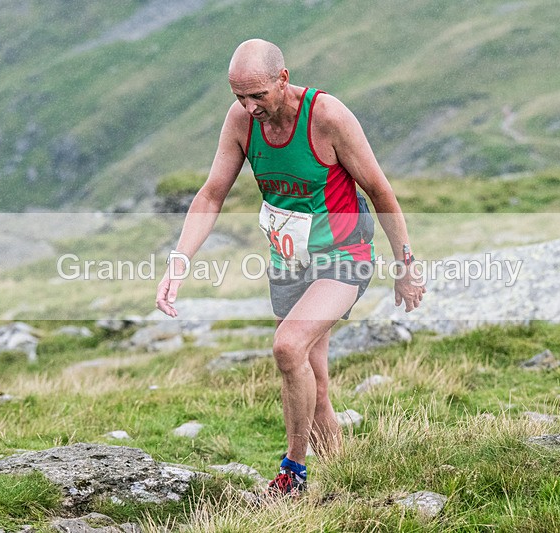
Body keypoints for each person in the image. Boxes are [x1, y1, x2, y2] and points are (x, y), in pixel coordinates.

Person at [156, 38, 425, 496]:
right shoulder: (241, 120)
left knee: (287, 346)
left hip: (344, 255)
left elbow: (380, 191)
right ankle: (345, 482)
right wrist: (180, 261)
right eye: (238, 96)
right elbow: (211, 194)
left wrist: (406, 264)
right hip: (289, 260)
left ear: (283, 79)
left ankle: (292, 472)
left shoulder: (327, 117)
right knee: (313, 381)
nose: (248, 106)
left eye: (257, 95)